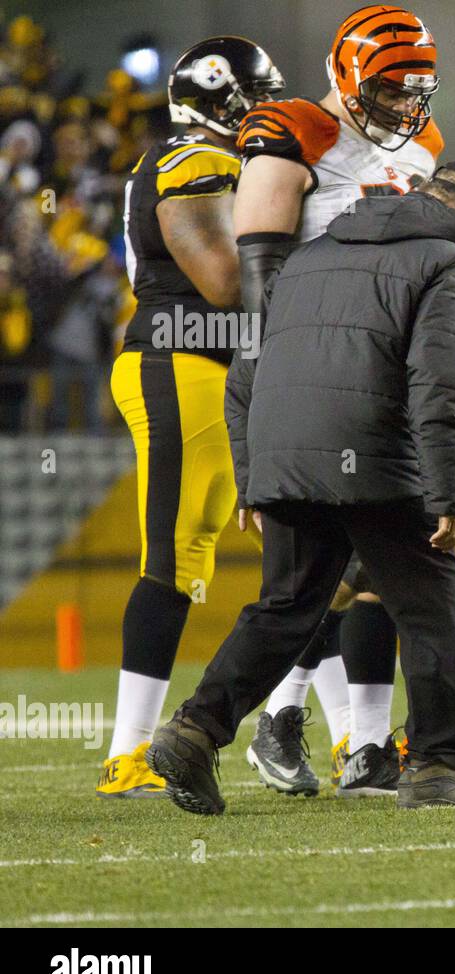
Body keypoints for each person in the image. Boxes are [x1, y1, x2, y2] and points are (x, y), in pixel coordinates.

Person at [146, 164, 455, 815]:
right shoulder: (447, 263)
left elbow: (244, 378)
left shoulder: (307, 256)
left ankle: (195, 732)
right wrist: (448, 495)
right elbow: (437, 385)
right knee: (428, 599)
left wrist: (255, 478)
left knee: (288, 606)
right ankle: (434, 766)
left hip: (283, 449)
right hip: (370, 451)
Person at [230, 4, 446, 795]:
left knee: (392, 559)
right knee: (327, 567)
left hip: (389, 374)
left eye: (416, 86)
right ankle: (280, 716)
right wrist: (265, 413)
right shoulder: (292, 132)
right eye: (391, 86)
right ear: (349, 74)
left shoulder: (423, 146)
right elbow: (261, 293)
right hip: (312, 374)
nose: (404, 103)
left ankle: (363, 743)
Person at [96, 36, 284, 799]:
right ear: (221, 99)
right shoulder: (194, 159)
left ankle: (347, 736)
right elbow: (221, 279)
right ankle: (127, 752)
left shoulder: (210, 159)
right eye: (259, 94)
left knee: (302, 538)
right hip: (181, 359)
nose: (269, 108)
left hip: (219, 368)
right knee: (175, 558)